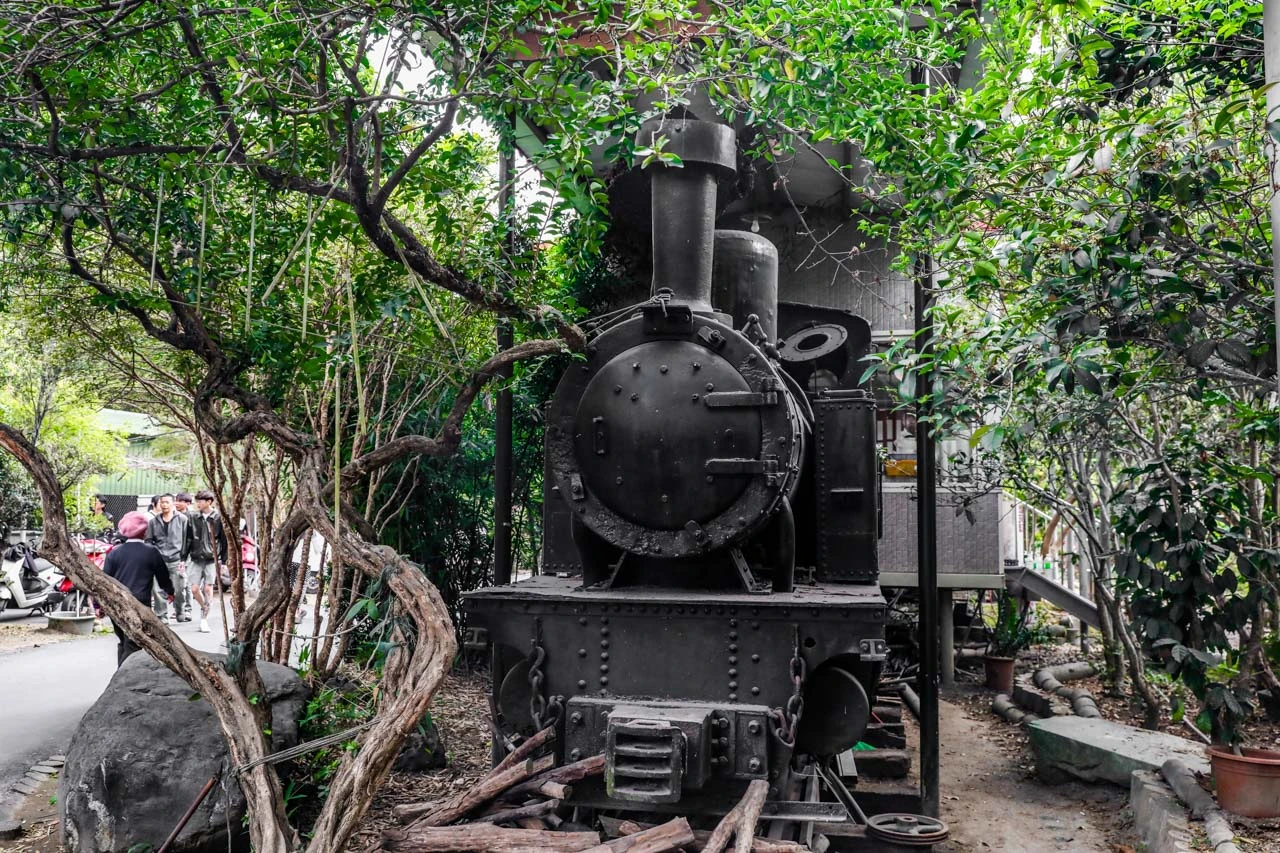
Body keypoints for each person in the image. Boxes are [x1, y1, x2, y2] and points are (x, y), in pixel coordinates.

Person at [104, 511, 174, 667]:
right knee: (134, 643)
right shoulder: (151, 552)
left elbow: (104, 579)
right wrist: (170, 591)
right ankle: (126, 678)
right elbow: (163, 576)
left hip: (117, 604)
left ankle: (120, 674)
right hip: (140, 603)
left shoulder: (114, 553)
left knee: (123, 640)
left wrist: (99, 605)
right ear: (144, 530)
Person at [185, 489, 227, 633]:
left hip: (212, 559)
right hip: (196, 557)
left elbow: (224, 539)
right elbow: (188, 538)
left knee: (208, 588)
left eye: (200, 501)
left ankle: (204, 619)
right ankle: (205, 606)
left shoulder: (218, 517)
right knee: (195, 589)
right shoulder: (193, 517)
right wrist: (183, 557)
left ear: (209, 502)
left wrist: (225, 560)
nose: (197, 504)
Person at [145, 493, 191, 623]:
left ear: (173, 503)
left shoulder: (182, 519)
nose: (164, 505)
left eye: (167, 502)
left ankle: (180, 611)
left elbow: (187, 540)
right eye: (162, 502)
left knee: (179, 588)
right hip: (159, 560)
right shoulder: (154, 522)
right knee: (158, 590)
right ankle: (162, 615)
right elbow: (148, 540)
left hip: (177, 560)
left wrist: (184, 559)